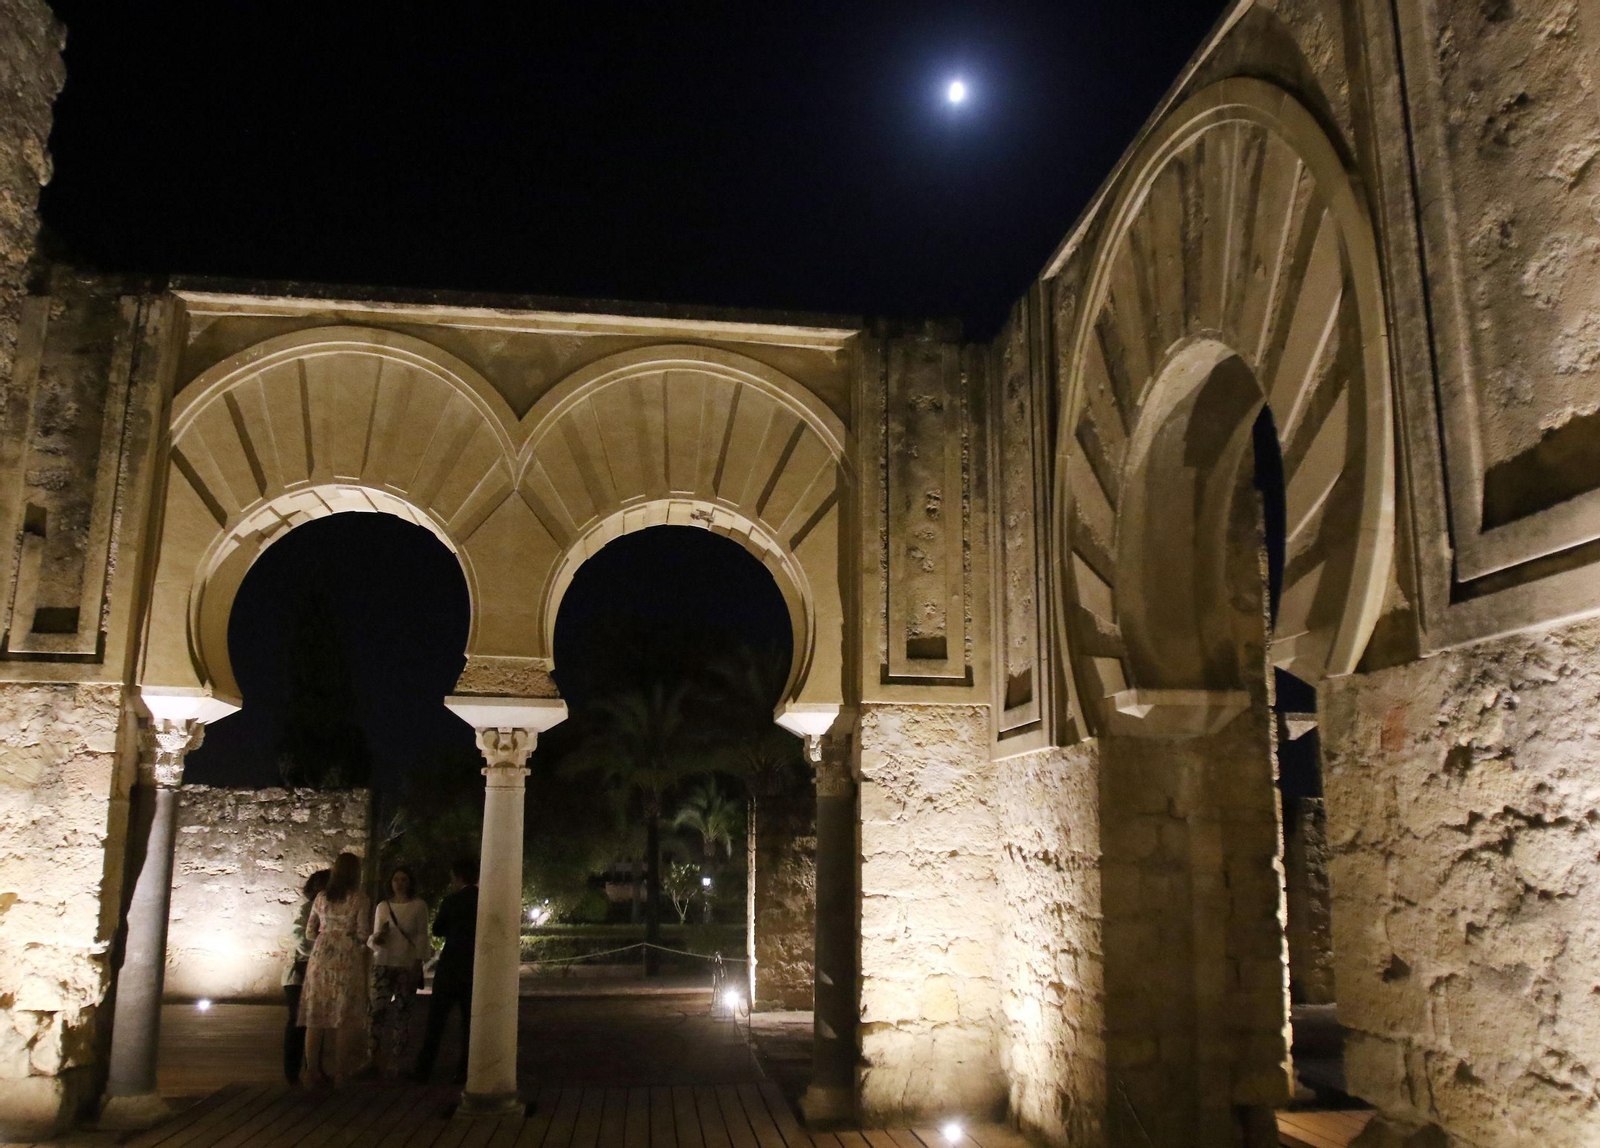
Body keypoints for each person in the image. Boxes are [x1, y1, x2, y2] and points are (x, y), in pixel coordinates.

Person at [299, 851, 371, 1086]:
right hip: (346, 957)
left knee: (315, 1016)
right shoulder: (360, 898)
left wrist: (327, 932)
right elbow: (362, 933)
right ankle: (340, 1073)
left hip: (321, 956)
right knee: (344, 1017)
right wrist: (351, 937)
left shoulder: (321, 897)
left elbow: (310, 932)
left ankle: (311, 1072)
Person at [411, 856, 477, 1085]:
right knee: (470, 1022)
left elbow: (438, 929)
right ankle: (465, 1070)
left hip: (450, 966)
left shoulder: (452, 901)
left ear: (458, 877)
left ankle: (424, 1069)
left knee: (436, 1021)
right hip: (473, 967)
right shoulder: (484, 901)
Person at [367, 866, 430, 1077]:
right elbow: (376, 935)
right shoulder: (383, 907)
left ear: (410, 882)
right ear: (391, 882)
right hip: (384, 962)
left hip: (406, 963)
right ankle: (373, 1057)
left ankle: (397, 1059)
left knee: (403, 1013)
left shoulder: (418, 906)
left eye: (404, 879)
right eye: (396, 879)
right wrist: (377, 938)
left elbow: (422, 935)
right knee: (376, 1011)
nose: (400, 883)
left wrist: (418, 961)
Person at [281, 868, 329, 1084]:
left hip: (319, 972)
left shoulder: (328, 909)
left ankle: (313, 1068)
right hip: (299, 973)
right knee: (298, 1020)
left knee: (317, 1021)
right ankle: (293, 1072)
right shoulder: (306, 909)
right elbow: (300, 938)